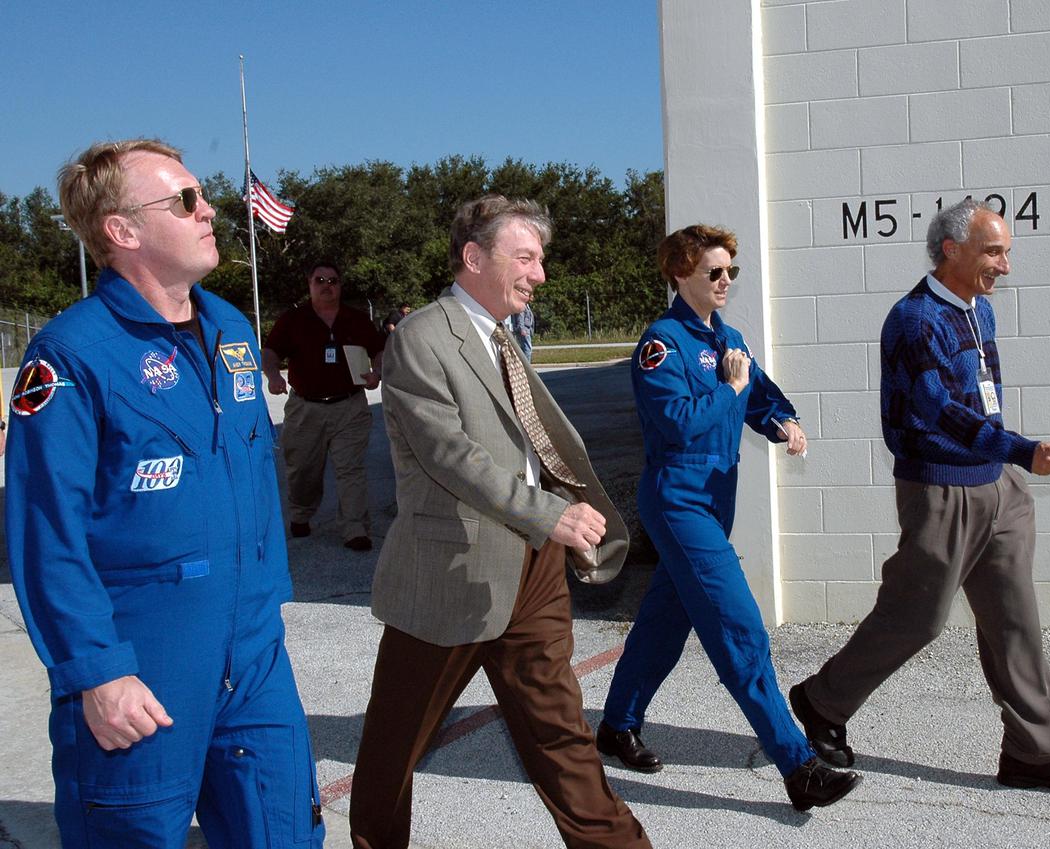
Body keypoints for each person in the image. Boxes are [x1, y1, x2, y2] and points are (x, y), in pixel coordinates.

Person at [5, 139, 323, 847]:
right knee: (135, 832)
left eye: (201, 194)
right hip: (145, 658)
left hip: (252, 648)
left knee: (284, 828)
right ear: (123, 230)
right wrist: (97, 671)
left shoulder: (231, 332)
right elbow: (45, 530)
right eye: (185, 200)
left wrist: (265, 605)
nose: (208, 208)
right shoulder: (71, 354)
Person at [348, 195, 651, 849]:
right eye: (526, 257)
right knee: (394, 744)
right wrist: (551, 511)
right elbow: (450, 455)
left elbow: (531, 442)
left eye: (540, 259)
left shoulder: (504, 337)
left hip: (532, 568)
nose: (539, 273)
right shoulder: (422, 338)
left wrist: (559, 512)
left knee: (559, 730)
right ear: (474, 257)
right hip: (448, 571)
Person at [789, 198, 1050, 794]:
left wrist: (1007, 461)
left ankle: (1033, 754)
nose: (1005, 266)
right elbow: (937, 410)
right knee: (918, 617)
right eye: (994, 251)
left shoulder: (977, 311)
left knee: (1016, 621)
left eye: (1007, 251)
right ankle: (820, 702)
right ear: (950, 250)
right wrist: (1020, 450)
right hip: (940, 489)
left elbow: (983, 396)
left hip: (998, 486)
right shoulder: (914, 321)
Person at [596, 224, 859, 812]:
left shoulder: (728, 336)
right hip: (677, 497)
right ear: (680, 273)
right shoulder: (660, 344)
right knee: (740, 628)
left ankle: (616, 725)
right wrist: (732, 388)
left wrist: (781, 421)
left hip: (715, 498)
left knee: (666, 618)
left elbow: (759, 396)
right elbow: (681, 422)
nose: (724, 281)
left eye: (730, 272)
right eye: (713, 272)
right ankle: (799, 766)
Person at [263, 262, 384, 551]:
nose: (327, 285)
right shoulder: (293, 320)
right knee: (303, 469)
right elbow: (269, 351)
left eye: (333, 280)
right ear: (310, 284)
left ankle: (355, 529)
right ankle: (301, 513)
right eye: (320, 280)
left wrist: (377, 372)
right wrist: (273, 375)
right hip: (306, 408)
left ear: (340, 285)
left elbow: (379, 349)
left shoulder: (356, 320)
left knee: (350, 470)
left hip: (349, 407)